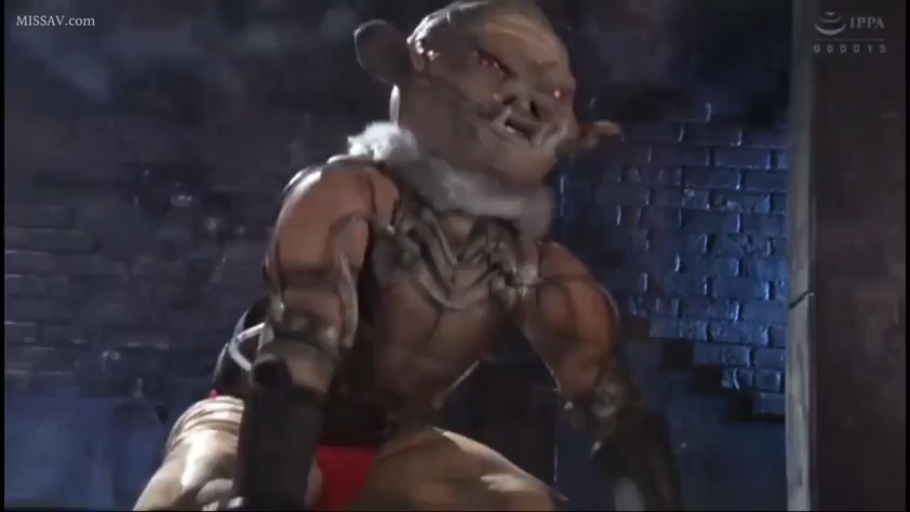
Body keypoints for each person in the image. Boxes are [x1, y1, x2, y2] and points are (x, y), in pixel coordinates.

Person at [134, 1, 681, 510]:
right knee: (193, 497)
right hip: (247, 423)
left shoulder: (540, 271)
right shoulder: (349, 199)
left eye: (556, 92)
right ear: (408, 65)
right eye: (494, 64)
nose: (532, 101)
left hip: (394, 447)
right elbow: (297, 355)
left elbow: (613, 410)